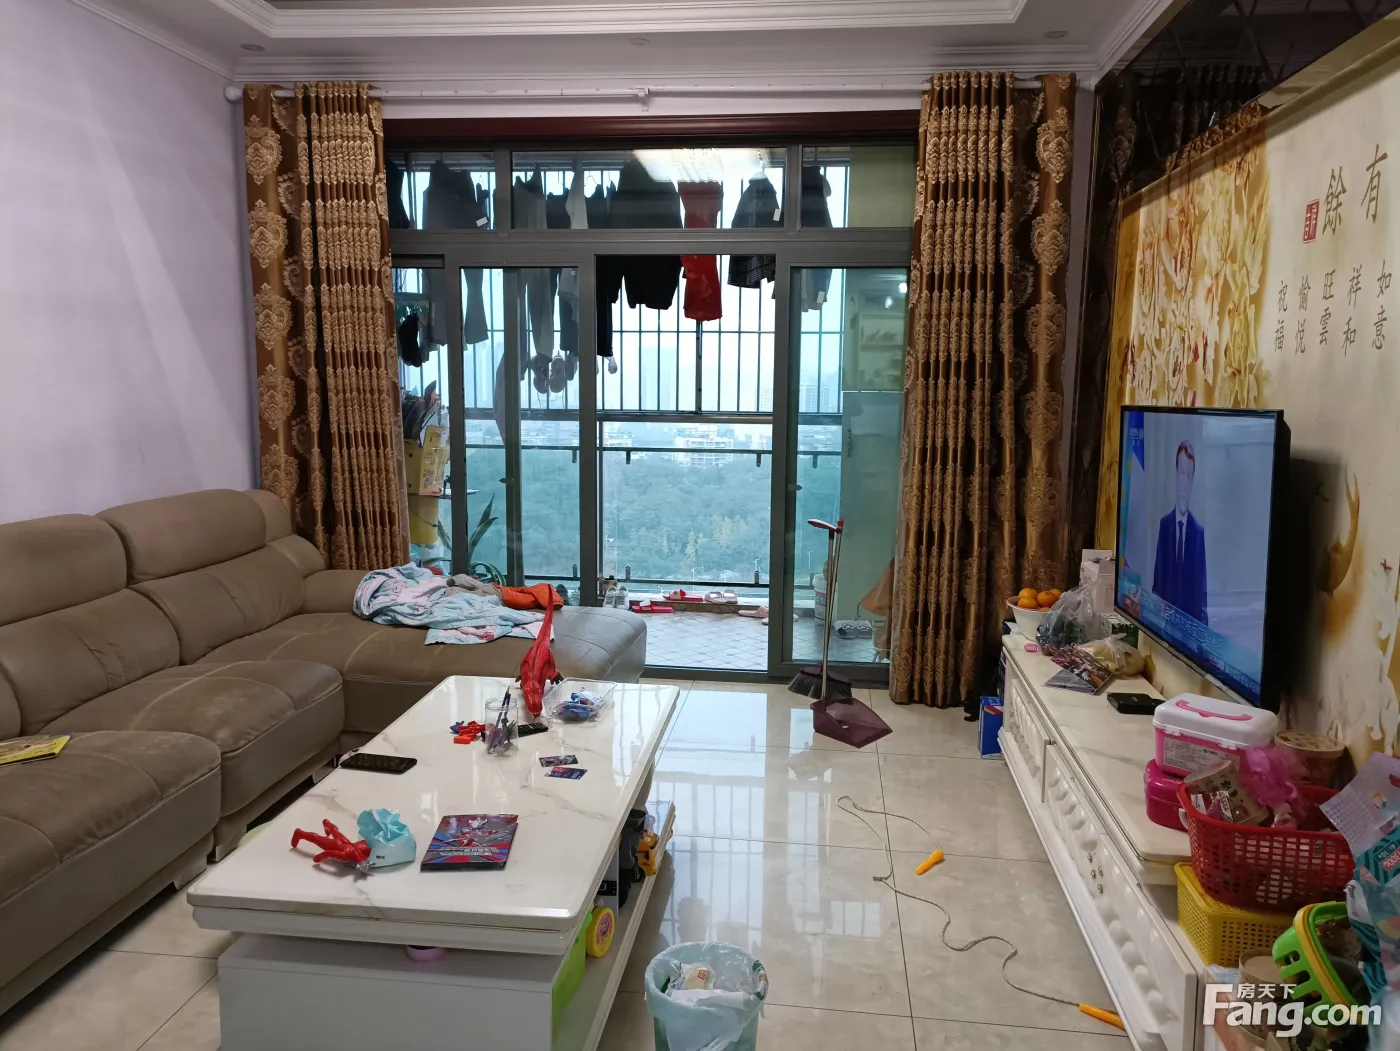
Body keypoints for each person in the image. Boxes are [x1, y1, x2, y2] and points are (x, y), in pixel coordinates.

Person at [1152, 440, 1208, 623]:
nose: (1184, 481)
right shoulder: (1164, 525)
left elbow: (1202, 597)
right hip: (1164, 626)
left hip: (1188, 629)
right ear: (1176, 475)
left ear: (1193, 482)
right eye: (1182, 473)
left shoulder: (1198, 533)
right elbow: (1157, 587)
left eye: (1189, 475)